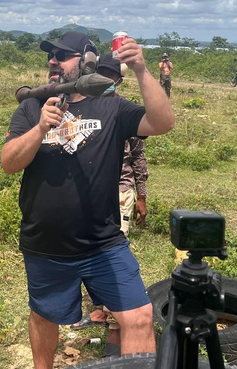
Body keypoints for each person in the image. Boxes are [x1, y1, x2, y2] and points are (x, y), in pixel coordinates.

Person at [1, 31, 175, 369]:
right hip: (45, 241)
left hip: (103, 243)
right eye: (50, 55)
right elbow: (9, 163)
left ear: (86, 61)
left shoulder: (111, 106)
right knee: (43, 316)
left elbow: (162, 122)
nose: (53, 60)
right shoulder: (32, 106)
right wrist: (39, 129)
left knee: (139, 317)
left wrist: (141, 69)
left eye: (62, 55)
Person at [70, 53, 150, 358]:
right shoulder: (80, 106)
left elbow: (139, 156)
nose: (105, 80)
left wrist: (141, 194)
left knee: (112, 256)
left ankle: (117, 327)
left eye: (110, 76)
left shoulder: (125, 110)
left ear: (118, 80)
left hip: (119, 192)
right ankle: (101, 311)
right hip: (87, 193)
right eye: (99, 74)